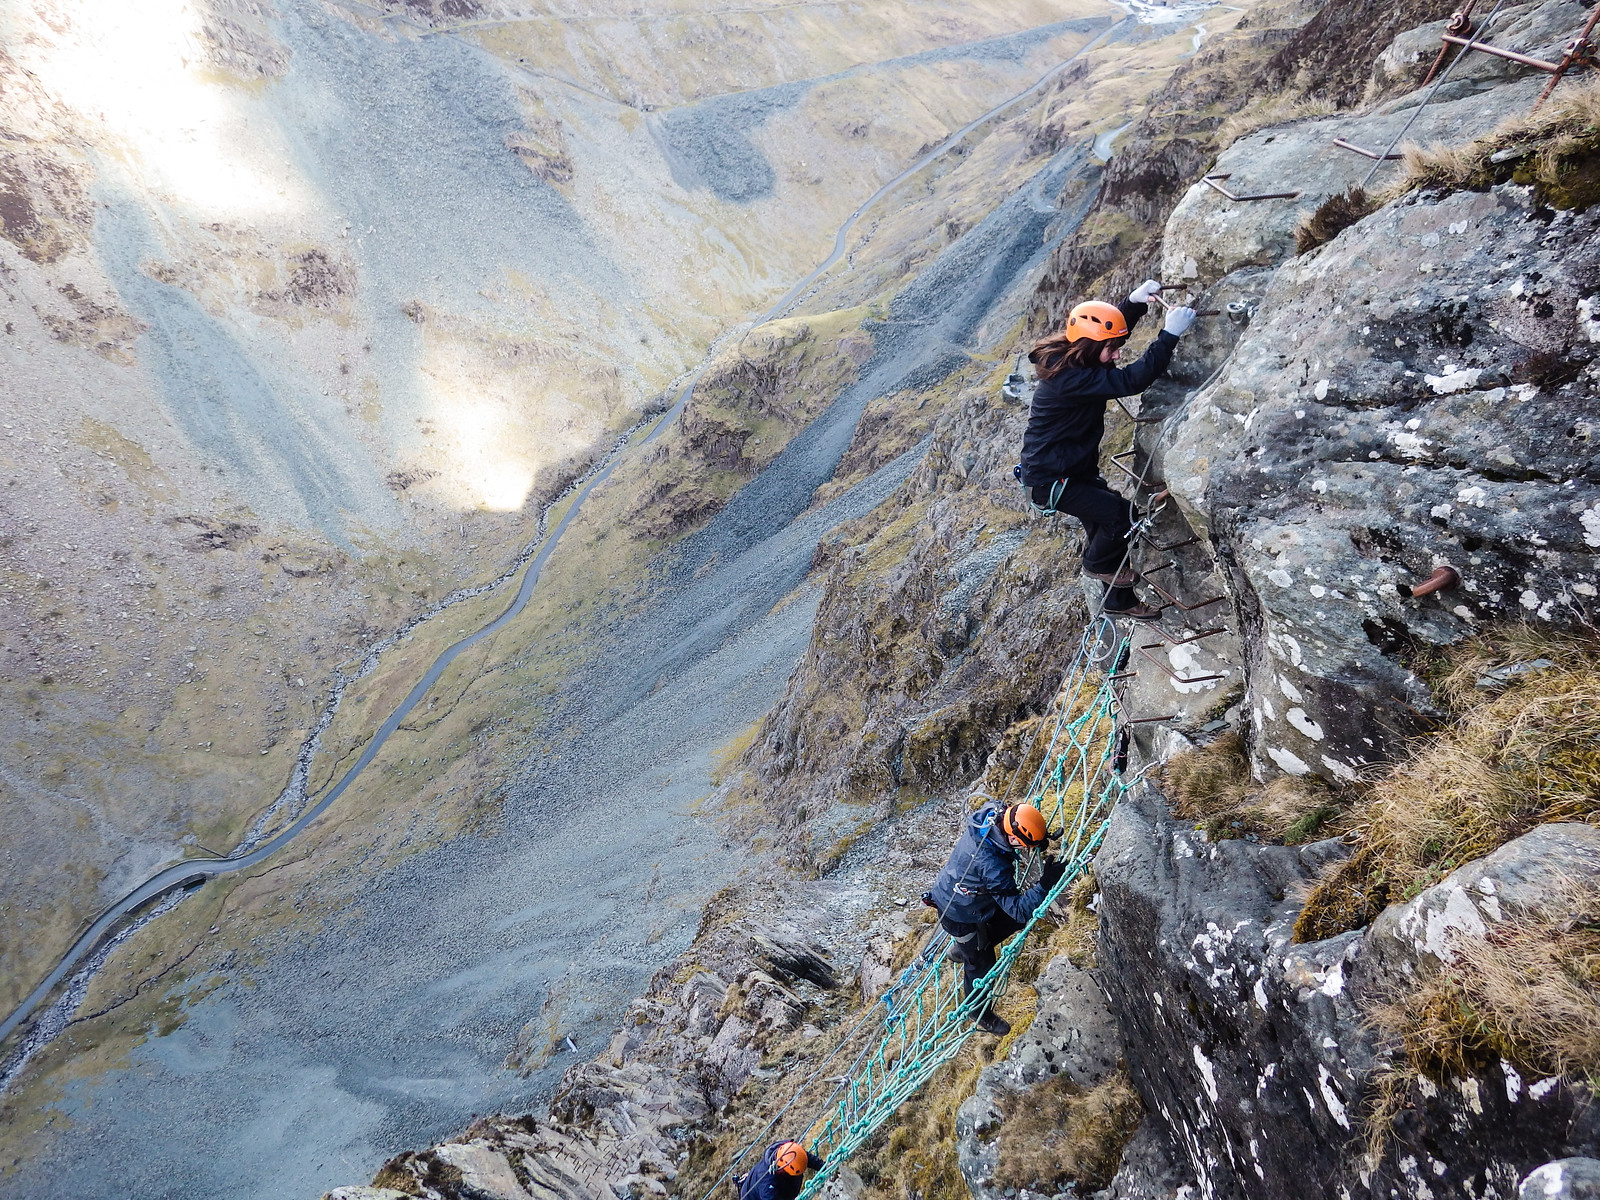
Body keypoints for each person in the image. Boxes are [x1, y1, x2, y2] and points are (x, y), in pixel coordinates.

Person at [1018, 280, 1196, 620]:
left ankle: (1118, 601)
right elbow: (1131, 380)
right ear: (1089, 348)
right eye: (1111, 350)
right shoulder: (1070, 380)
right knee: (1122, 516)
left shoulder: (1075, 358)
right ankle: (1096, 566)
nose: (1116, 355)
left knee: (1107, 525)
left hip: (1068, 472)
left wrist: (1133, 303)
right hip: (1053, 479)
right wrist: (1169, 335)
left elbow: (1104, 336)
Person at [925, 801, 1065, 1036]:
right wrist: (1045, 884)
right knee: (981, 964)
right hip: (960, 914)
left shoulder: (992, 814)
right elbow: (1020, 909)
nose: (1024, 849)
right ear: (1013, 839)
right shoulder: (992, 867)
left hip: (965, 897)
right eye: (1024, 845)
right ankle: (978, 1011)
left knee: (1012, 923)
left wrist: (1038, 839)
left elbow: (1019, 820)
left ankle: (964, 949)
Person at [737, 1140, 824, 1200]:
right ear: (785, 1171)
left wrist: (823, 1166)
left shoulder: (788, 1150)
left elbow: (802, 1158)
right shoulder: (768, 1185)